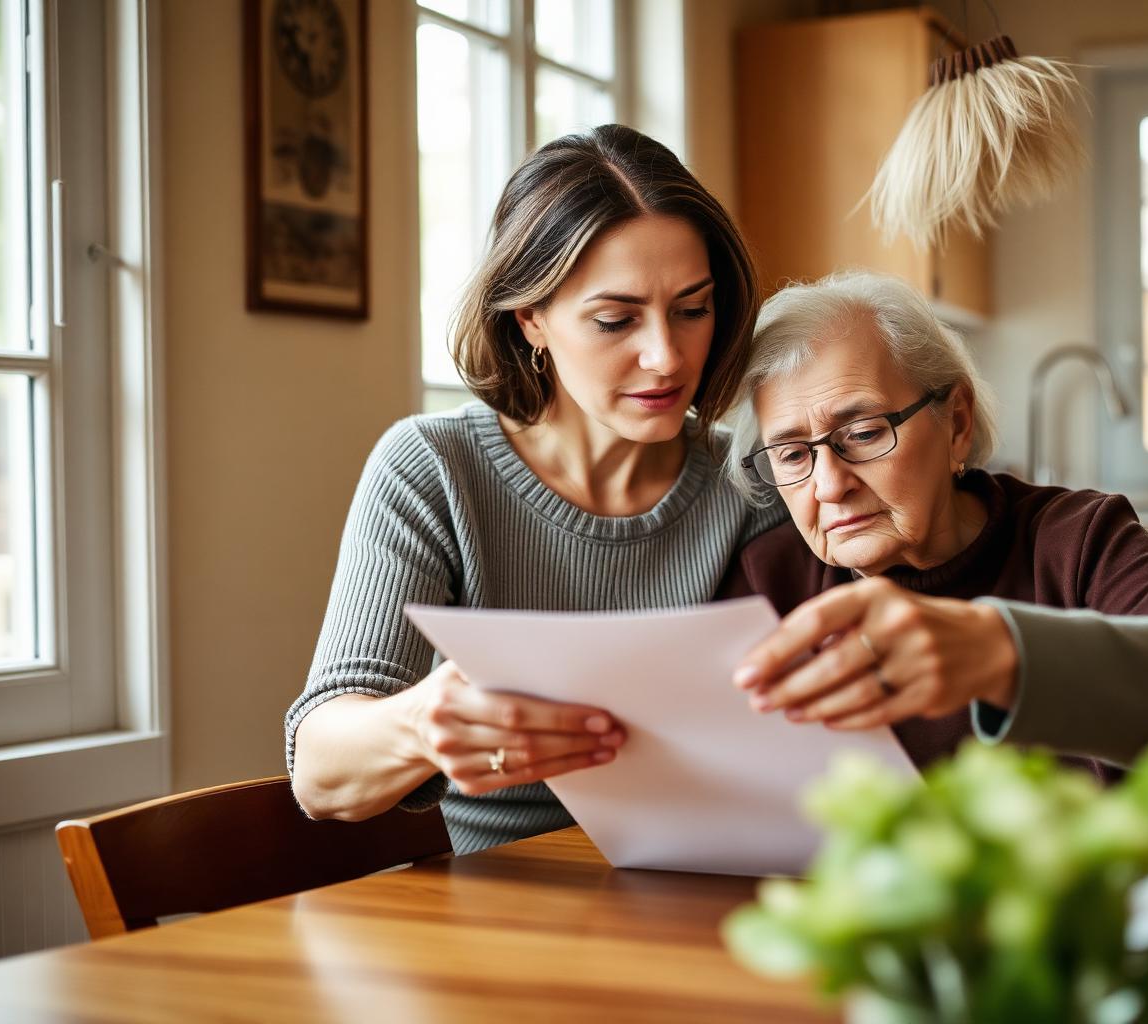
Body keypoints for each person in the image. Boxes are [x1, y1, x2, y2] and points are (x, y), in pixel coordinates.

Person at [287, 125, 783, 853]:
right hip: (505, 911)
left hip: (709, 885)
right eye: (616, 319)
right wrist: (424, 723)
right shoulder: (433, 468)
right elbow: (322, 778)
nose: (666, 356)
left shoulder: (754, 479)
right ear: (531, 320)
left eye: (692, 309)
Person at [720, 270, 1148, 783]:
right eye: (793, 454)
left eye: (866, 432)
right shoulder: (773, 580)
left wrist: (1002, 654)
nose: (828, 484)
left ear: (957, 424)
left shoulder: (1075, 543)